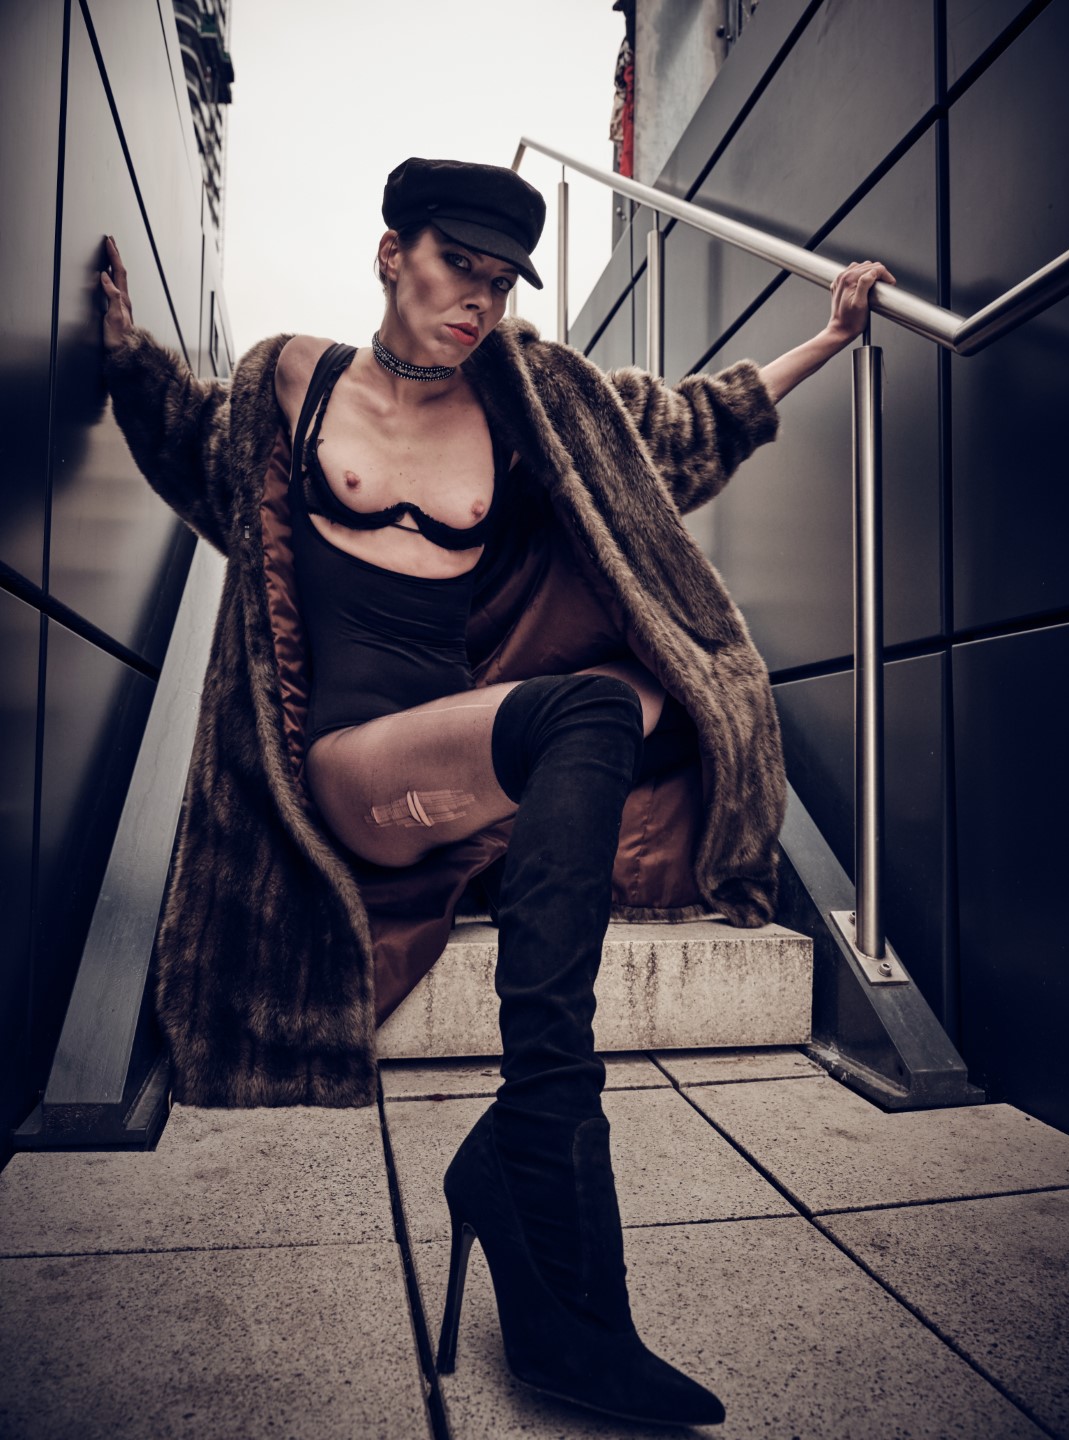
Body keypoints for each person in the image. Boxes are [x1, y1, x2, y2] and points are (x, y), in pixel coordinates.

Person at [101, 156, 894, 1425]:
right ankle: (545, 1167)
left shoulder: (527, 404)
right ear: (391, 255)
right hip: (355, 776)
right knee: (585, 714)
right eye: (455, 267)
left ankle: (527, 1156)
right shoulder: (290, 382)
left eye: (500, 281)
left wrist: (828, 339)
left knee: (645, 691)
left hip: (474, 755)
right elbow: (187, 443)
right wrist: (126, 355)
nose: (478, 300)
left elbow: (675, 434)